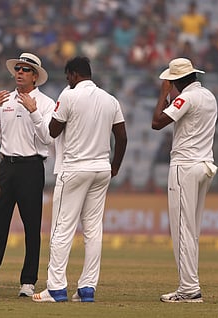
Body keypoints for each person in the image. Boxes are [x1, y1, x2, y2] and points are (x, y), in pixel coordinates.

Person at [33, 56, 127, 303]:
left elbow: (52, 132)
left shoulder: (69, 96)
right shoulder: (110, 99)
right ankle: (87, 288)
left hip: (74, 168)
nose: (68, 81)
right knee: (93, 231)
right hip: (101, 169)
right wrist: (114, 166)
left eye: (68, 77)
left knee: (62, 228)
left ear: (74, 75)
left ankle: (56, 288)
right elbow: (122, 137)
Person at [0, 52, 55, 297]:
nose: (19, 73)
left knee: (31, 226)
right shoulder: (4, 99)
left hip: (31, 167)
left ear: (35, 76)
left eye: (25, 70)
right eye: (18, 69)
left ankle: (28, 282)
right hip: (6, 166)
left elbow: (47, 138)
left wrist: (34, 112)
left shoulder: (45, 103)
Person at [152, 57, 217, 303]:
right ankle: (191, 285)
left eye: (170, 81)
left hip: (185, 167)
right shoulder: (209, 96)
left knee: (182, 229)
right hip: (205, 165)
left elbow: (157, 123)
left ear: (177, 80)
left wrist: (163, 94)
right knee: (192, 230)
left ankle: (189, 289)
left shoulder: (185, 97)